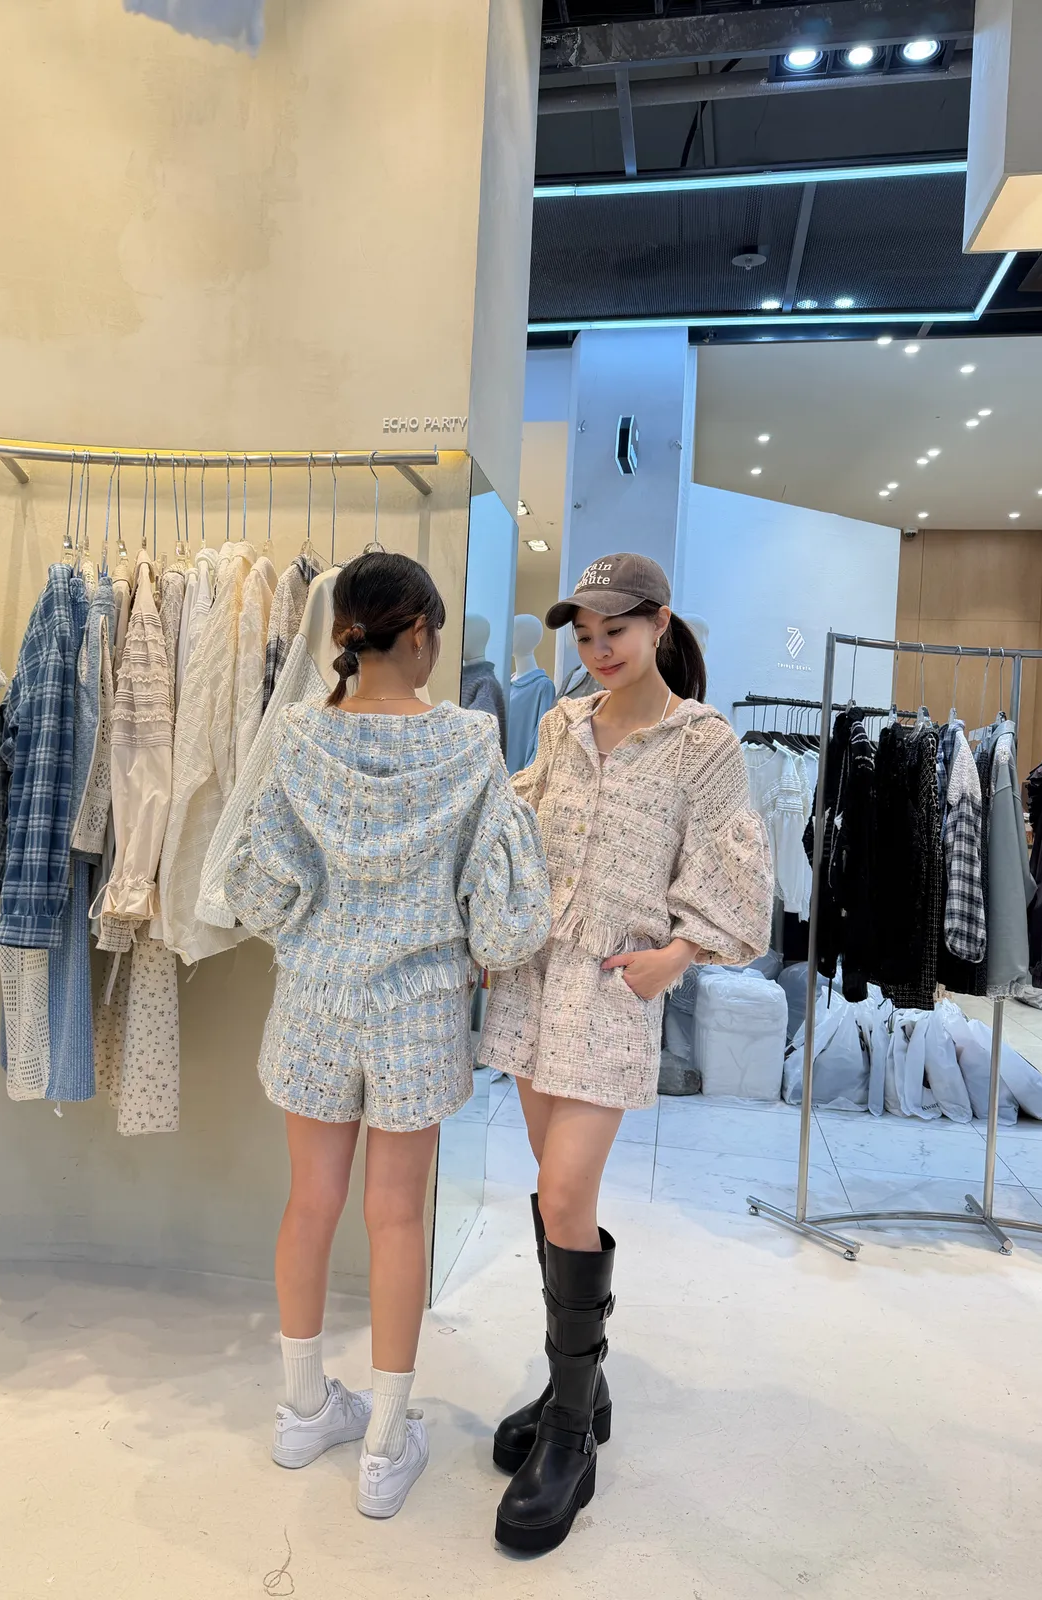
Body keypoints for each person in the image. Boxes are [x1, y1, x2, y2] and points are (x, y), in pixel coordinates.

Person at [224, 551, 551, 1521]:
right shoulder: (470, 741)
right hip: (419, 1008)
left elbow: (257, 886)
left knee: (310, 1201)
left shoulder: (298, 735)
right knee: (397, 1216)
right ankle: (384, 1444)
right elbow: (504, 917)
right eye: (435, 633)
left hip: (315, 999)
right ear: (416, 633)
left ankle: (301, 1411)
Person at [480, 552, 773, 1555]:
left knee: (566, 1195)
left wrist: (678, 957)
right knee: (552, 1189)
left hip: (610, 988)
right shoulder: (562, 726)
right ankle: (581, 1387)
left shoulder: (703, 741)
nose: (599, 649)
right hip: (532, 977)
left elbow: (738, 869)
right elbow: (518, 830)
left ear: (658, 624)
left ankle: (570, 1435)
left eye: (616, 630)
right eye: (586, 634)